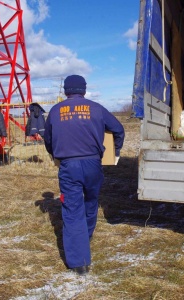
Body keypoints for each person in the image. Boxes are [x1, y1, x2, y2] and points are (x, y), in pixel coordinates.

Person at [44, 74, 125, 275]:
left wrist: (55, 155)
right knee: (91, 200)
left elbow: (47, 139)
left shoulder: (55, 111)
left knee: (72, 209)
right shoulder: (96, 108)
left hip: (68, 165)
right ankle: (86, 235)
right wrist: (115, 151)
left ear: (66, 90)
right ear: (84, 90)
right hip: (93, 163)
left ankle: (79, 262)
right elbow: (118, 129)